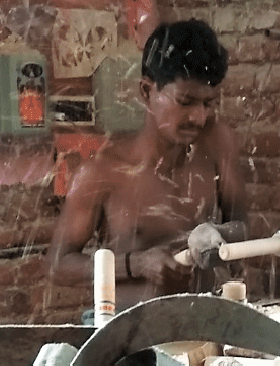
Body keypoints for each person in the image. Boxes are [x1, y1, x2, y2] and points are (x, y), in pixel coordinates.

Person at [47, 18, 249, 312]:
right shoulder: (104, 172)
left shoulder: (218, 143)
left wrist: (218, 235)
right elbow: (57, 266)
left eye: (208, 103)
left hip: (201, 325)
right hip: (131, 335)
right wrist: (138, 264)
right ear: (146, 92)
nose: (199, 118)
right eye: (186, 101)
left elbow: (243, 230)